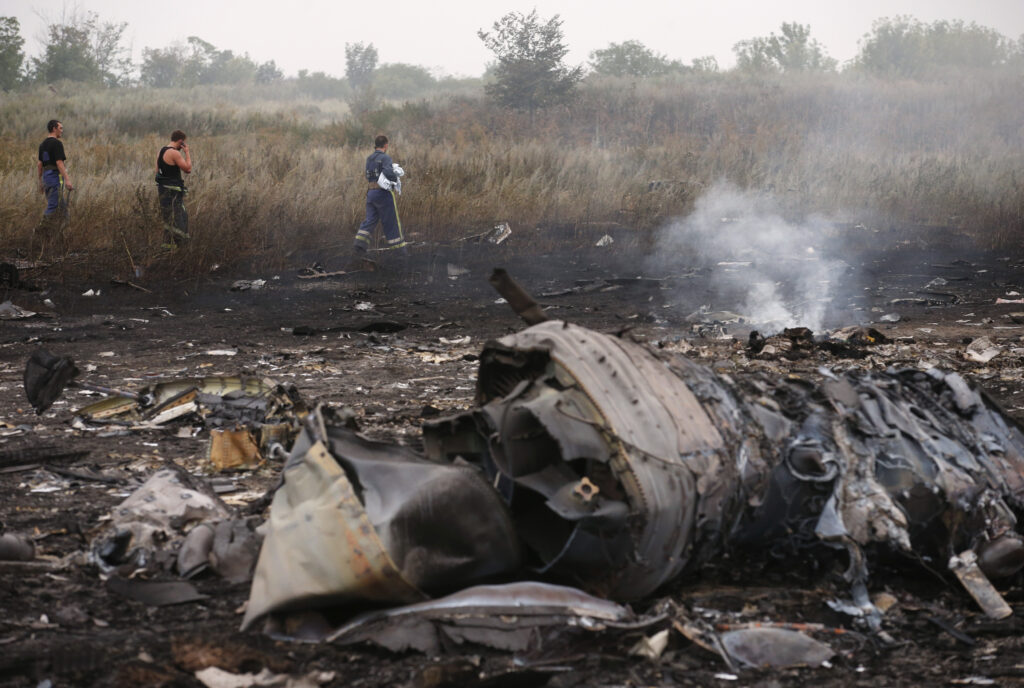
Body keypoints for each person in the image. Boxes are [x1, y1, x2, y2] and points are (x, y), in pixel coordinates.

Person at [351, 134, 406, 264]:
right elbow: (388, 172)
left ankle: (358, 246)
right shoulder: (385, 158)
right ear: (386, 145)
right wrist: (395, 179)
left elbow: (367, 174)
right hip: (383, 193)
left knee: (370, 220)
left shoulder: (369, 158)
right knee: (391, 222)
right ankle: (399, 253)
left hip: (371, 193)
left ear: (376, 145)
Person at [155, 130, 192, 246]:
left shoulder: (161, 151)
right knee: (180, 218)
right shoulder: (174, 153)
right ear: (181, 142)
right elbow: (188, 169)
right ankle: (182, 248)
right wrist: (187, 152)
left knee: (168, 219)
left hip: (162, 191)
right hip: (173, 193)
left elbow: (157, 172)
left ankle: (168, 248)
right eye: (183, 143)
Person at [37, 119, 72, 222]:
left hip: (46, 177)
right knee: (53, 206)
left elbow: (39, 165)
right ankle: (39, 231)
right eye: (60, 128)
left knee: (63, 209)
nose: (62, 131)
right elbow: (59, 163)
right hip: (54, 177)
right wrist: (67, 180)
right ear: (54, 129)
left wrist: (41, 182)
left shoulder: (42, 144)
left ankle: (62, 233)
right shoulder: (57, 143)